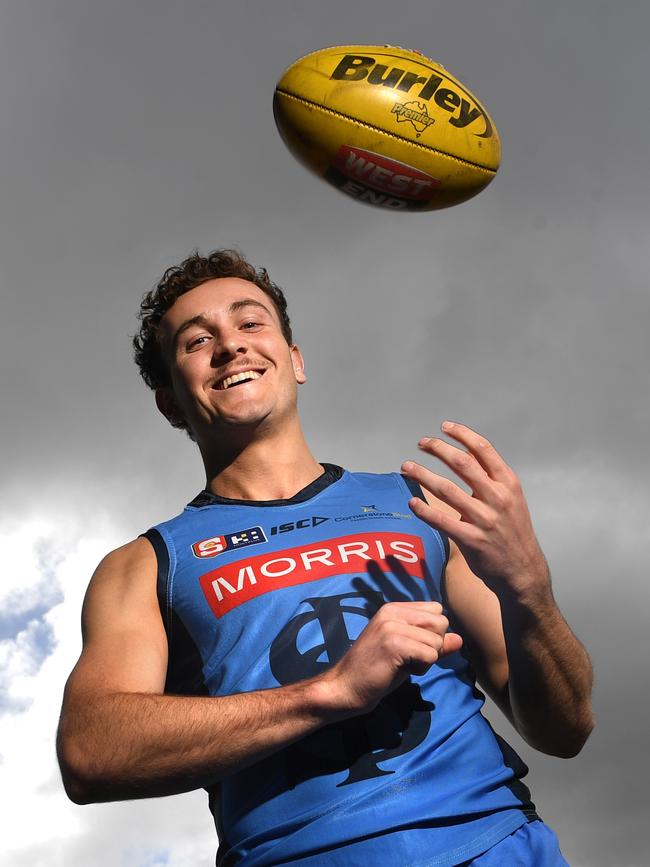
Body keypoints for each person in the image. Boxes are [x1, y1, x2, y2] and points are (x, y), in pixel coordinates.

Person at [57, 249, 594, 866]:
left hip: (495, 846)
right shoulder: (145, 565)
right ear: (171, 403)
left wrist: (531, 590)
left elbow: (566, 728)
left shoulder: (418, 505)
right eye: (197, 341)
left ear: (296, 360)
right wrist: (330, 691)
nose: (231, 346)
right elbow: (90, 752)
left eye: (251, 324)